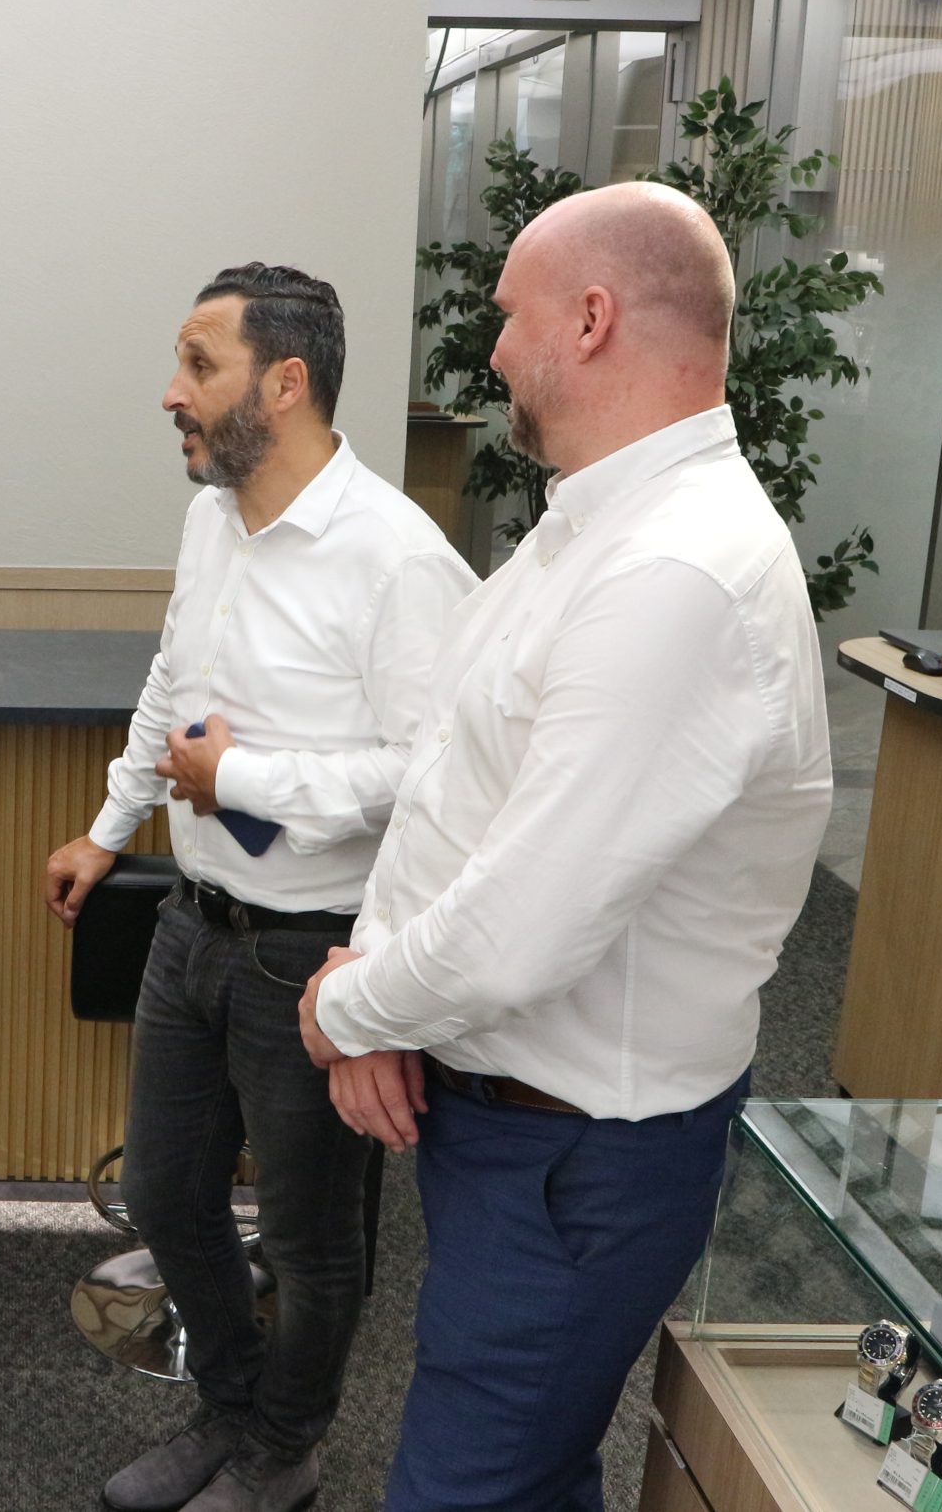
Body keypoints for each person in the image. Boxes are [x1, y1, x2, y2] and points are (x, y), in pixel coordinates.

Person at [300, 181, 832, 1512]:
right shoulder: (592, 527)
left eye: (507, 315)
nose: (489, 352)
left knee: (468, 1489)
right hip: (513, 1118)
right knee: (526, 1471)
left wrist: (344, 1007)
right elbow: (458, 797)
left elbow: (517, 930)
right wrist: (385, 1004)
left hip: (575, 1151)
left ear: (591, 319)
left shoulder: (673, 571)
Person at [45, 263, 474, 1512]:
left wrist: (243, 776)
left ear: (283, 384)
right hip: (192, 924)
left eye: (198, 365)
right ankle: (233, 1413)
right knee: (162, 1193)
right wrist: (109, 827)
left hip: (315, 952)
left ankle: (285, 1449)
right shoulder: (211, 518)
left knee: (309, 1239)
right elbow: (171, 679)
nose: (169, 393)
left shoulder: (398, 557)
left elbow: (429, 777)